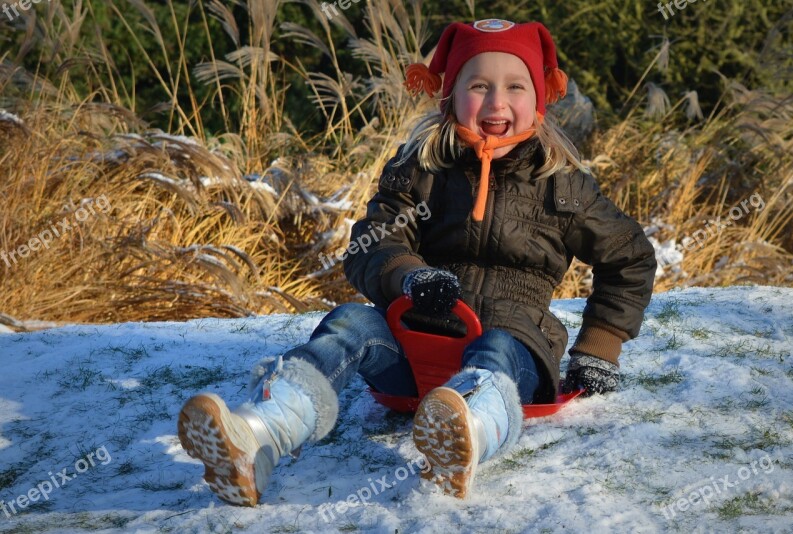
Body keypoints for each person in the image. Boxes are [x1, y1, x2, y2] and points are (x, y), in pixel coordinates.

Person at [177, 18, 657, 506]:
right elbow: (371, 243)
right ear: (449, 97)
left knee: (496, 350)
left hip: (515, 343)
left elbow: (630, 258)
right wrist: (409, 276)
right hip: (417, 344)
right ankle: (258, 434)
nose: (496, 102)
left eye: (515, 86)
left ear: (538, 98)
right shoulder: (422, 170)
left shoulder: (563, 187)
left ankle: (465, 437)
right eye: (478, 86)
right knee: (349, 324)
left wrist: (600, 346)